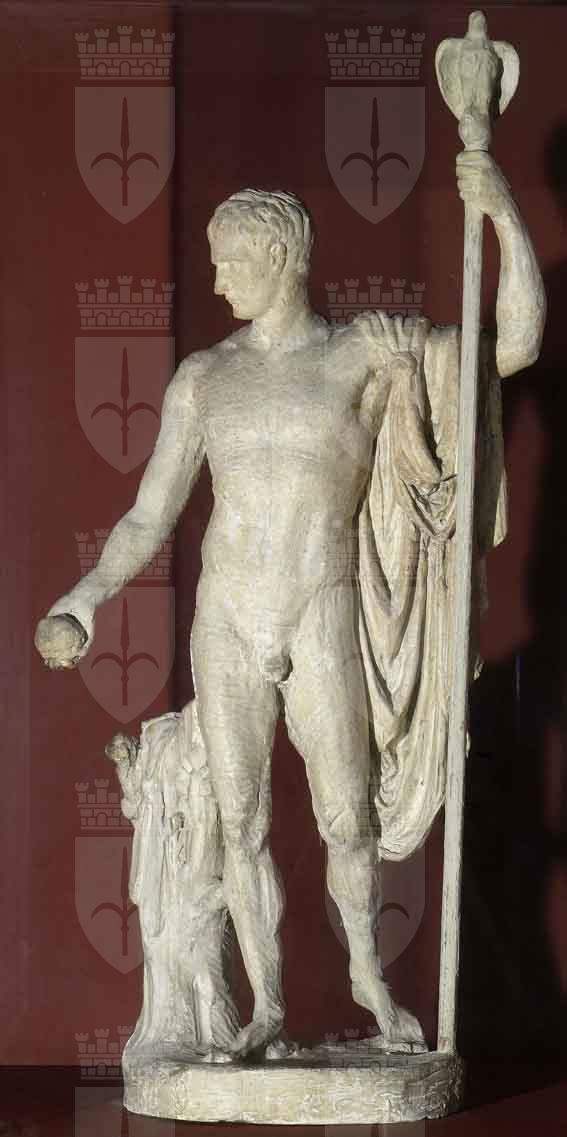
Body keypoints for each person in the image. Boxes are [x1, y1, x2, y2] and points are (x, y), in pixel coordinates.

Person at [35, 154, 545, 1058]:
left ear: (279, 256)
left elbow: (513, 344)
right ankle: (266, 1004)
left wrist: (501, 211)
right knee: (240, 821)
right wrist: (84, 596)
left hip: (321, 605)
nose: (217, 280)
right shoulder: (203, 378)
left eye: (230, 262)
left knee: (347, 818)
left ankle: (367, 980)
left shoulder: (366, 355)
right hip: (228, 616)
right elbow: (149, 515)